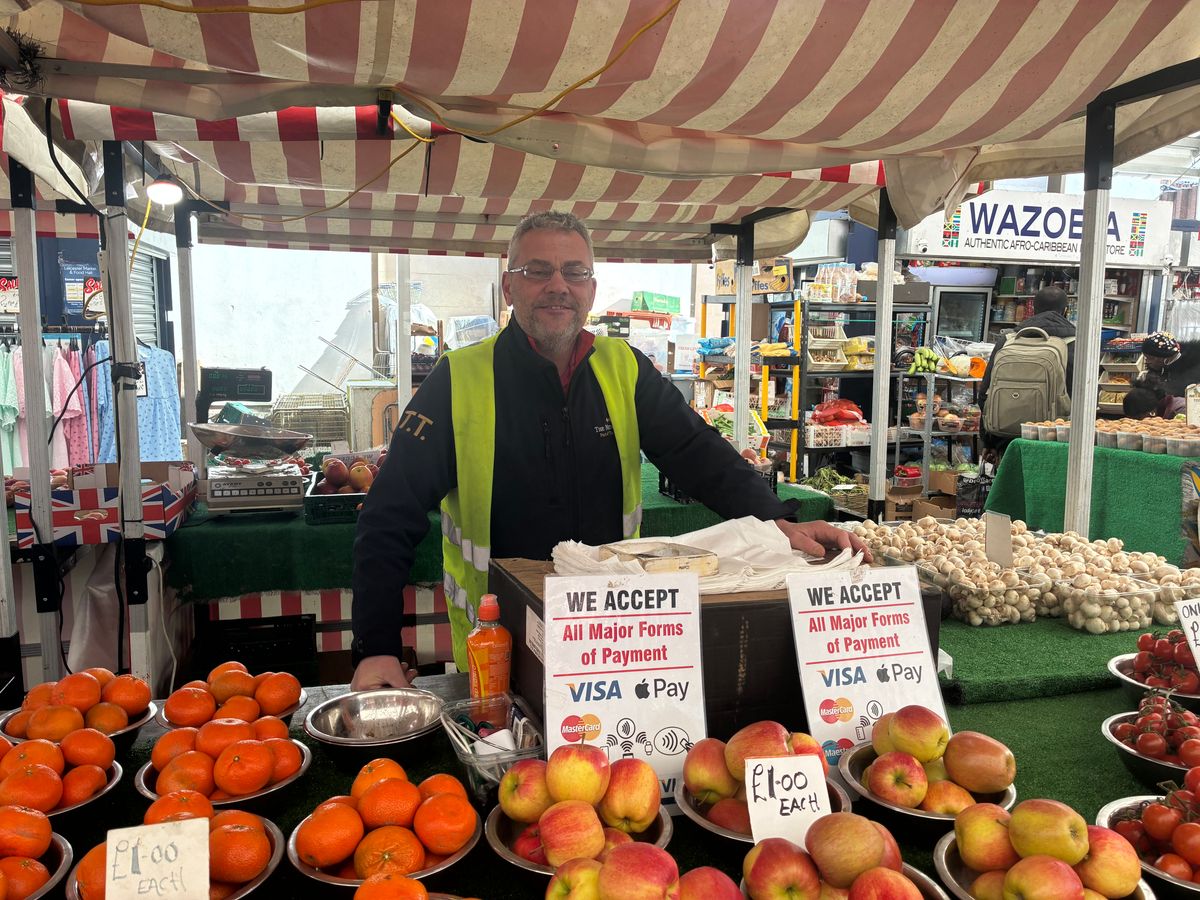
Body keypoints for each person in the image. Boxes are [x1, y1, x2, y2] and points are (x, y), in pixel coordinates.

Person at [350, 211, 869, 690]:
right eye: (539, 271)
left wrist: (778, 521)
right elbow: (388, 512)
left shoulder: (624, 367)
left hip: (614, 639)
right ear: (509, 286)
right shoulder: (459, 378)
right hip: (502, 644)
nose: (558, 286)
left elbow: (699, 453)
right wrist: (376, 648)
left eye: (574, 272)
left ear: (592, 289)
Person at [979, 286, 1075, 450]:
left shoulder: (1008, 340)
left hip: (1006, 438)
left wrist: (989, 441)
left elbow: (984, 393)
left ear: (1034, 311)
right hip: (1054, 439)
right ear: (1065, 311)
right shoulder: (1074, 344)